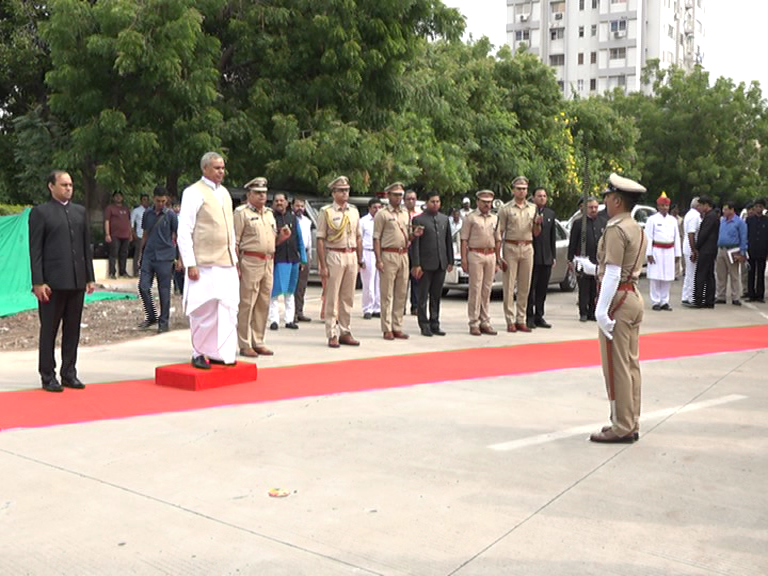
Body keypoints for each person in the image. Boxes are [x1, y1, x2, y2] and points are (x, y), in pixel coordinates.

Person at [574, 173, 648, 444]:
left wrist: (601, 311)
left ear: (617, 200)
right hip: (631, 296)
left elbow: (615, 273)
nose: (604, 200)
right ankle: (631, 420)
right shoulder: (636, 227)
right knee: (630, 365)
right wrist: (592, 268)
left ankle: (621, 425)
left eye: (608, 195)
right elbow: (618, 270)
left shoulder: (616, 229)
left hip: (618, 299)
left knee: (616, 368)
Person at [29, 170, 95, 392]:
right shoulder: (41, 213)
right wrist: (38, 282)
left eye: (71, 185)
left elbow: (86, 248)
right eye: (64, 184)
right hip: (51, 284)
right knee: (49, 330)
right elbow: (35, 251)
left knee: (72, 330)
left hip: (76, 282)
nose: (68, 188)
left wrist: (90, 278)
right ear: (51, 186)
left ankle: (69, 372)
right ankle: (48, 375)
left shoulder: (79, 212)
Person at [177, 151, 239, 369]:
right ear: (205, 169)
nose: (221, 172)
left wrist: (235, 259)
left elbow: (229, 230)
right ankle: (199, 352)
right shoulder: (193, 192)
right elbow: (184, 230)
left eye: (222, 168)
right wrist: (190, 263)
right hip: (203, 263)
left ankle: (219, 351)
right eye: (216, 168)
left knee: (226, 307)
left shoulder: (225, 193)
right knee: (203, 308)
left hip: (226, 261)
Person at [234, 177, 290, 358]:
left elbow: (272, 241)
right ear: (249, 194)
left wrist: (282, 237)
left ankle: (258, 340)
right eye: (258, 193)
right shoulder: (241, 213)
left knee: (263, 302)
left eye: (264, 193)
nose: (262, 196)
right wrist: (236, 266)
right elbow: (235, 242)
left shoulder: (269, 214)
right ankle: (244, 343)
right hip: (250, 261)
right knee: (247, 303)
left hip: (268, 261)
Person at [316, 175, 363, 348]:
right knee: (332, 296)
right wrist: (322, 265)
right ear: (334, 192)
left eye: (347, 190)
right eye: (341, 190)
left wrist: (359, 258)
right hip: (334, 254)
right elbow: (320, 239)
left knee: (347, 297)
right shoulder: (326, 212)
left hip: (351, 255)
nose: (345, 193)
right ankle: (332, 333)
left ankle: (345, 330)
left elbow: (358, 237)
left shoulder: (354, 211)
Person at [496, 176, 542, 333]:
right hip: (511, 246)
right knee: (509, 285)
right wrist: (498, 255)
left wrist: (537, 223)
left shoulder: (532, 208)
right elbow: (499, 232)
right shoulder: (506, 208)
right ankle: (510, 319)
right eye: (519, 188)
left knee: (525, 285)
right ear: (513, 190)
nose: (522, 191)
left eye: (524, 189)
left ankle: (521, 318)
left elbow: (536, 233)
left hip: (527, 246)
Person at [410, 192, 454, 336]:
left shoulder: (444, 219)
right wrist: (416, 264)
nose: (435, 204)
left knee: (436, 296)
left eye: (437, 201)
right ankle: (424, 324)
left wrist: (450, 260)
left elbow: (448, 241)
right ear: (427, 203)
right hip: (425, 264)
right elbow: (415, 244)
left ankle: (435, 322)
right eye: (432, 201)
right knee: (423, 296)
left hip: (440, 262)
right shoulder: (419, 219)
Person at [374, 182, 413, 340]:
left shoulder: (405, 213)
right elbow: (376, 238)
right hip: (388, 254)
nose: (399, 198)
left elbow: (408, 235)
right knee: (387, 293)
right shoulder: (382, 214)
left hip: (403, 254)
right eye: (395, 194)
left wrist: (414, 234)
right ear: (388, 195)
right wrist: (378, 259)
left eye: (400, 195)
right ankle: (387, 327)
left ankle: (398, 326)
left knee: (401, 292)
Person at [137, 186, 178, 333]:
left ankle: (164, 322)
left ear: (166, 200)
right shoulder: (147, 214)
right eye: (158, 200)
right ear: (154, 198)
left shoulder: (171, 215)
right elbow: (145, 234)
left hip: (165, 256)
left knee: (164, 290)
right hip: (149, 254)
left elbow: (177, 236)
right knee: (143, 286)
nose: (160, 203)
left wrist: (178, 258)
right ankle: (152, 315)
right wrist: (141, 255)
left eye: (163, 201)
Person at [461, 190, 500, 336]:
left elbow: (498, 240)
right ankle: (474, 322)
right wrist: (464, 259)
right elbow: (464, 239)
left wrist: (497, 259)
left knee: (487, 289)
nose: (487, 205)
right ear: (477, 202)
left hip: (490, 254)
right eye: (484, 202)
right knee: (475, 289)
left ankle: (485, 321)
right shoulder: (470, 218)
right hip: (475, 254)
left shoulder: (495, 218)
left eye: (489, 202)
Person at [268, 193, 306, 330]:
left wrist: (304, 259)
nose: (279, 203)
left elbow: (300, 239)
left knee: (290, 291)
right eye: (276, 200)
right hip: (279, 259)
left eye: (281, 200)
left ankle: (289, 319)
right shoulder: (270, 218)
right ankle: (274, 320)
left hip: (293, 259)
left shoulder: (293, 218)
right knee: (276, 291)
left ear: (286, 203)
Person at [568, 197, 605, 322]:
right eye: (591, 207)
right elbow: (572, 242)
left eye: (595, 207)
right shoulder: (579, 223)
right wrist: (570, 259)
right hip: (582, 259)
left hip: (597, 259)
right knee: (584, 287)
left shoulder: (602, 221)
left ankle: (592, 312)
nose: (594, 210)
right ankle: (583, 312)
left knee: (594, 288)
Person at [645, 192, 681, 311]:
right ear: (658, 206)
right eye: (662, 206)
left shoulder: (673, 220)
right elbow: (648, 237)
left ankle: (665, 300)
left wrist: (677, 253)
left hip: (669, 250)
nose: (665, 208)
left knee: (667, 277)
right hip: (657, 250)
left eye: (666, 206)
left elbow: (677, 237)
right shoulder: (652, 219)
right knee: (656, 276)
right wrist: (648, 253)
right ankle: (656, 301)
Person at [526, 186, 556, 329]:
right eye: (539, 196)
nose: (542, 198)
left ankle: (540, 316)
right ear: (533, 198)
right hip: (532, 256)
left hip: (546, 258)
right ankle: (529, 316)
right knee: (531, 288)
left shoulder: (550, 214)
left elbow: (552, 237)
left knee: (542, 290)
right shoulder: (529, 212)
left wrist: (553, 256)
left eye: (544, 196)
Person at [715, 200, 748, 306]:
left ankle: (735, 297)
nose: (723, 211)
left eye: (726, 209)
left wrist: (742, 253)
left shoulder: (739, 222)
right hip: (721, 249)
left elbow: (743, 238)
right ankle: (721, 295)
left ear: (732, 210)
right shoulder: (722, 221)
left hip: (733, 250)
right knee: (721, 274)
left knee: (734, 274)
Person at [693, 195, 719, 308]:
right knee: (709, 275)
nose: (700, 207)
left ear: (707, 205)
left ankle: (699, 299)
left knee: (701, 274)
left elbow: (704, 234)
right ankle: (709, 300)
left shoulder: (710, 217)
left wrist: (696, 247)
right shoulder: (713, 216)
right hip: (711, 249)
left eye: (702, 205)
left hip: (706, 249)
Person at [359, 197, 383, 320]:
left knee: (379, 283)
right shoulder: (363, 221)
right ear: (369, 208)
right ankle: (367, 308)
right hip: (367, 252)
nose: (377, 210)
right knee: (368, 283)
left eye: (379, 207)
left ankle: (377, 308)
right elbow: (359, 240)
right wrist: (360, 258)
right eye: (375, 207)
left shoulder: (383, 221)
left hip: (380, 253)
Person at [293, 197, 313, 322]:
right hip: (294, 254)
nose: (299, 208)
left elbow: (309, 239)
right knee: (293, 285)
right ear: (292, 206)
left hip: (305, 254)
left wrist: (308, 256)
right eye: (297, 205)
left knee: (302, 286)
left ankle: (299, 311)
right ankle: (292, 314)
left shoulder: (307, 221)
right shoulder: (291, 219)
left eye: (302, 206)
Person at [104, 190, 132, 278]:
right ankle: (112, 273)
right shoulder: (110, 208)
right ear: (113, 198)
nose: (118, 198)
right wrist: (107, 234)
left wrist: (130, 233)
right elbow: (107, 221)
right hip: (114, 235)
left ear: (122, 198)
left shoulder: (126, 208)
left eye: (120, 196)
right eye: (116, 196)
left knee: (124, 254)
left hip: (126, 235)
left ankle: (122, 272)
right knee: (113, 254)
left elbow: (129, 221)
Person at [746, 198, 768, 302]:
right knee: (751, 273)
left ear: (763, 208)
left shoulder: (766, 220)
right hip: (751, 250)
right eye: (756, 206)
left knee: (760, 273)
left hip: (762, 250)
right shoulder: (749, 220)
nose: (758, 208)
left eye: (760, 206)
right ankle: (751, 294)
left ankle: (760, 295)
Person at [404, 189, 422, 316]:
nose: (411, 201)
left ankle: (415, 306)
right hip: (403, 250)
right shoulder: (401, 214)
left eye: (413, 199)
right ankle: (401, 306)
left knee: (416, 279)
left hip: (416, 250)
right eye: (408, 199)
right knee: (403, 280)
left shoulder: (420, 215)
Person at [681, 197, 701, 306]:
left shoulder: (689, 214)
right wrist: (694, 250)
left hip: (688, 246)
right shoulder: (695, 216)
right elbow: (691, 233)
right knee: (692, 273)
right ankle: (689, 297)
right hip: (691, 247)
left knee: (690, 273)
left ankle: (686, 295)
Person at [131, 194, 150, 277]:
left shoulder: (151, 211)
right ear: (141, 201)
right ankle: (136, 271)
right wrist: (133, 234)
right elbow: (131, 223)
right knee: (138, 253)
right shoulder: (136, 211)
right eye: (144, 199)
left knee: (148, 254)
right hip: (139, 235)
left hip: (150, 236)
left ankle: (147, 272)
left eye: (147, 200)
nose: (145, 201)